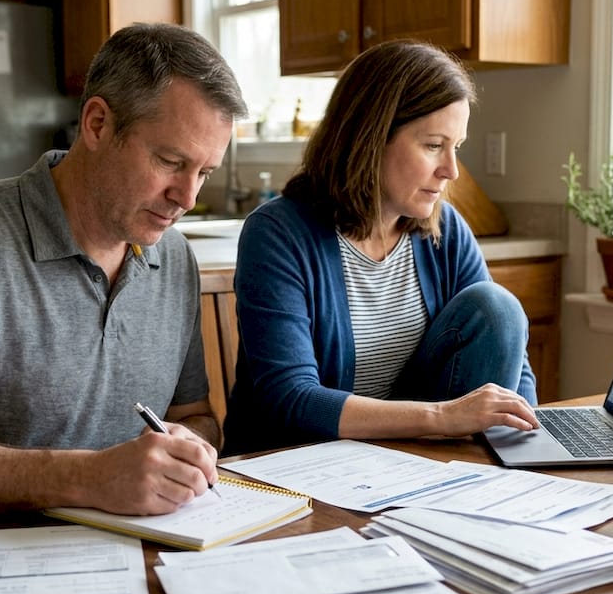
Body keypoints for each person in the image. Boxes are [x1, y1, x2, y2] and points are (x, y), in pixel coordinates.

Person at [0, 23, 249, 515]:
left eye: (205, 173)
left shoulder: (172, 257)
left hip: (138, 551)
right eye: (170, 161)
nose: (188, 198)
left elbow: (193, 417)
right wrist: (89, 477)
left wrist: (188, 449)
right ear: (97, 124)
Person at [223, 40, 538, 456]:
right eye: (432, 145)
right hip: (298, 462)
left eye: (455, 147)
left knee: (496, 308)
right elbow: (291, 398)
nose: (452, 170)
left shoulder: (445, 231)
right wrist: (443, 418)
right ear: (371, 137)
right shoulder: (278, 233)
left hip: (409, 462)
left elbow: (515, 368)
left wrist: (531, 441)